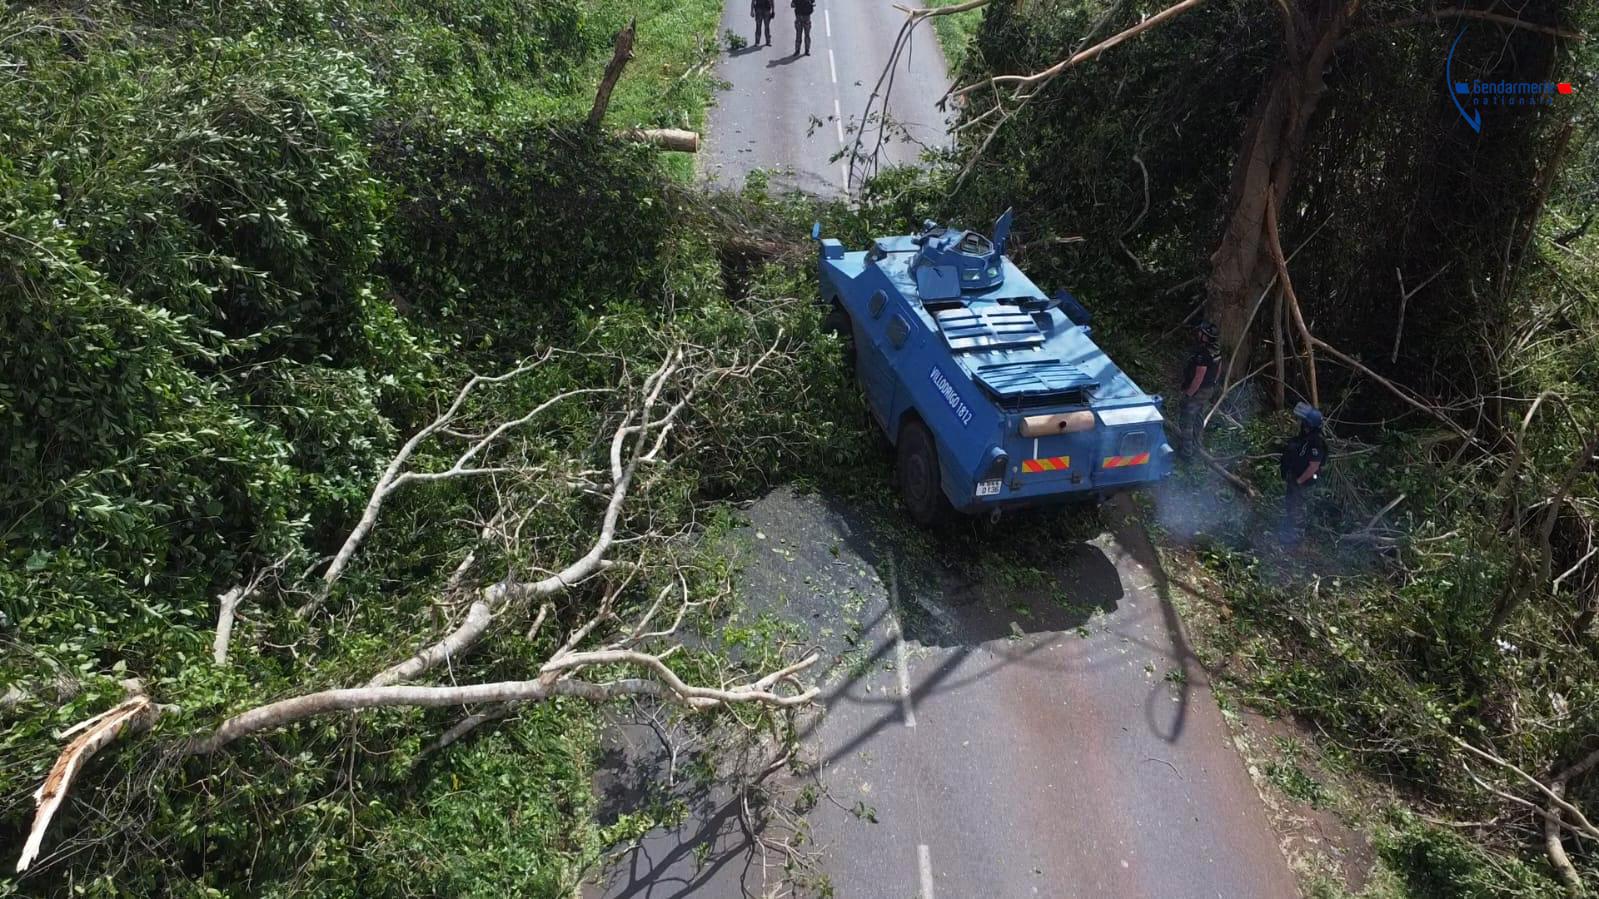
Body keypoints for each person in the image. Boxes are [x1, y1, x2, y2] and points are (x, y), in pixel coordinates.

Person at [1279, 403, 1327, 546]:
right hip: (1295, 478)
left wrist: (1299, 481)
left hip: (1303, 481)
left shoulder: (1316, 442)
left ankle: (1295, 538)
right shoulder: (1304, 438)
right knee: (1291, 505)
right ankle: (1288, 532)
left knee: (1298, 508)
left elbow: (1313, 466)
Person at [1176, 320, 1220, 459]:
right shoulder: (1216, 350)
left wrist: (1189, 394)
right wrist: (1213, 382)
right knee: (1199, 416)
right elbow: (1219, 369)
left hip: (1199, 390)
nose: (1199, 333)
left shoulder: (1203, 354)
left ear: (1205, 336)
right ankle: (1197, 444)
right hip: (1209, 389)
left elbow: (1199, 376)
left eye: (1201, 332)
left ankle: (1186, 452)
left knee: (1187, 420)